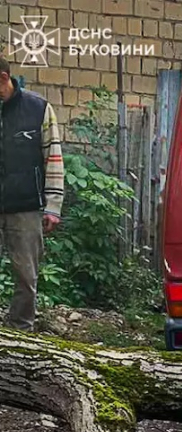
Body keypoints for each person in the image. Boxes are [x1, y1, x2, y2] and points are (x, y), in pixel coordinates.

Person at [0, 56, 64, 331]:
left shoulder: (38, 109)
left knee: (26, 275)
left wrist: (53, 205)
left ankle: (21, 331)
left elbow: (53, 157)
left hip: (25, 204)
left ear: (3, 78)